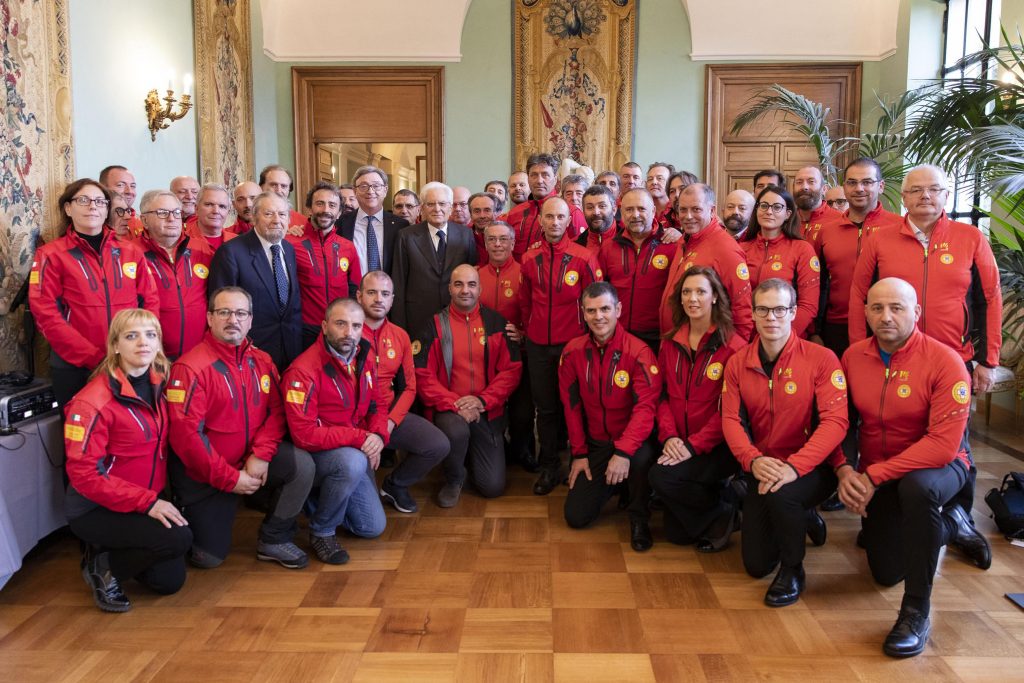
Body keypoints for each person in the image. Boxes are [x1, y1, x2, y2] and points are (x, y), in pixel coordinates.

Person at [840, 278, 991, 658]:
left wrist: (873, 476)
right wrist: (846, 471)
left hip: (941, 467)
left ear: (916, 313)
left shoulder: (945, 362)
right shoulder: (853, 357)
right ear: (865, 313)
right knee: (886, 571)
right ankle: (950, 525)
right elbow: (842, 426)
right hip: (881, 471)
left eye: (897, 308)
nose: (886, 317)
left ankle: (915, 612)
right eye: (877, 308)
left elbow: (941, 446)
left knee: (918, 490)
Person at [849, 163, 1002, 522]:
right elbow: (859, 296)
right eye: (916, 190)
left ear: (946, 195)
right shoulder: (880, 239)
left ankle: (959, 518)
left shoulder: (970, 239)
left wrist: (988, 360)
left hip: (954, 359)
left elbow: (990, 298)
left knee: (955, 443)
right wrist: (858, 351)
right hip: (891, 356)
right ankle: (888, 512)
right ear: (903, 198)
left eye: (933, 189)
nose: (925, 196)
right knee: (886, 432)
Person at [721, 279, 848, 607]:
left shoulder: (821, 359)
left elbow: (836, 424)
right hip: (762, 465)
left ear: (793, 312)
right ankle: (802, 517)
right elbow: (731, 420)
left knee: (784, 495)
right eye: (762, 309)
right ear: (752, 313)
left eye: (779, 309)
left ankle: (793, 570)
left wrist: (795, 467)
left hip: (811, 468)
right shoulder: (738, 362)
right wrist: (752, 460)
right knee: (756, 565)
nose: (771, 317)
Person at [167, 286, 314, 569]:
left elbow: (277, 411)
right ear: (210, 318)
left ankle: (273, 538)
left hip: (249, 461)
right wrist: (229, 479)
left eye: (240, 313)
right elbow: (188, 440)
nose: (233, 319)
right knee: (208, 559)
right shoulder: (189, 369)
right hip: (206, 476)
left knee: (303, 466)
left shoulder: (262, 361)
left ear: (250, 320)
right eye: (224, 312)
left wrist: (261, 454)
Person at [65, 309, 191, 612]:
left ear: (159, 343)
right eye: (131, 335)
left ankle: (119, 547)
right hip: (95, 508)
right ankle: (103, 565)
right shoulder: (91, 401)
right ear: (115, 345)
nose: (142, 343)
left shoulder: (162, 384)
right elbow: (85, 475)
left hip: (140, 498)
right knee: (178, 539)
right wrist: (148, 503)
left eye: (150, 335)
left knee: (168, 582)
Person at [30, 178, 159, 406]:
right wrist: (93, 357)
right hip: (75, 366)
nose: (93, 206)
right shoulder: (51, 255)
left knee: (129, 431)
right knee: (81, 432)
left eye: (100, 201)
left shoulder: (130, 252)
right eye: (83, 200)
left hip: (129, 360)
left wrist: (138, 346)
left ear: (107, 209)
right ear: (68, 208)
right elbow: (45, 313)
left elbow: (149, 303)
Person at [282, 297, 391, 564]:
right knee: (353, 462)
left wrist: (377, 436)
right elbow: (304, 435)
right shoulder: (303, 370)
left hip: (351, 448)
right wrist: (360, 438)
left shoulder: (363, 355)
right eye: (340, 324)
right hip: (314, 455)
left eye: (355, 326)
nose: (348, 333)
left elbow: (377, 402)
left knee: (371, 527)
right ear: (324, 326)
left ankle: (322, 498)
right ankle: (322, 531)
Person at [558, 281, 660, 551]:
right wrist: (579, 454)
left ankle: (639, 517)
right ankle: (616, 486)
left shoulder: (639, 353)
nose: (599, 317)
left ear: (618, 309)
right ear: (583, 313)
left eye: (605, 309)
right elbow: (571, 407)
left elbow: (645, 410)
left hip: (633, 443)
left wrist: (624, 452)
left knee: (640, 459)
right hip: (596, 443)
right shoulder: (572, 352)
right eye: (591, 311)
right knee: (576, 517)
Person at [648, 266, 745, 551]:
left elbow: (730, 411)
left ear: (715, 296)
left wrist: (692, 446)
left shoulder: (734, 348)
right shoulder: (669, 343)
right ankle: (723, 511)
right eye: (687, 292)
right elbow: (661, 396)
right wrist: (670, 438)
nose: (693, 298)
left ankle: (723, 506)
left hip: (717, 447)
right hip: (678, 442)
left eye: (701, 291)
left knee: (659, 475)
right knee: (678, 536)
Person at [413, 265, 523, 505]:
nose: (465, 290)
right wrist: (455, 403)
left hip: (486, 409)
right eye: (459, 284)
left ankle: (473, 453)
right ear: (450, 288)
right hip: (449, 412)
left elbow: (511, 370)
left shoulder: (497, 324)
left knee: (492, 487)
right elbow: (422, 375)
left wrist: (483, 401)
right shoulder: (432, 326)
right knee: (457, 430)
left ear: (480, 289)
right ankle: (454, 478)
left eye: (471, 285)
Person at [520, 197, 602, 495]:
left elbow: (595, 303)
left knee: (576, 405)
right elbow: (524, 301)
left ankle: (581, 462)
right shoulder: (529, 259)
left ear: (570, 221)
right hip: (539, 344)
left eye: (560, 217)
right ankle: (550, 465)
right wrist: (527, 332)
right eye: (549, 217)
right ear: (540, 220)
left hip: (575, 346)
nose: (555, 222)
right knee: (546, 408)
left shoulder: (584, 257)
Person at [357, 272, 450, 512]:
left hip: (389, 416)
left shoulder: (400, 336)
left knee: (438, 444)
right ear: (359, 296)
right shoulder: (348, 332)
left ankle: (395, 485)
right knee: (369, 520)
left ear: (392, 300)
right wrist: (369, 433)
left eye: (385, 294)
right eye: (372, 292)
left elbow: (410, 387)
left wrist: (388, 424)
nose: (379, 299)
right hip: (354, 422)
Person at [812, 158, 902, 356]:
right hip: (836, 326)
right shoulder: (827, 231)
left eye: (867, 182)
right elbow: (819, 285)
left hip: (888, 325)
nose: (859, 188)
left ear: (881, 186)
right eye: (852, 182)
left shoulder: (900, 227)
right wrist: (815, 330)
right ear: (844, 187)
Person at [208, 191, 303, 370]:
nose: (277, 220)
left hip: (290, 352)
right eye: (268, 214)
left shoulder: (289, 250)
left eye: (282, 214)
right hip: (250, 354)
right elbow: (221, 310)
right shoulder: (231, 253)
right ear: (254, 217)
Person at [476, 222, 535, 470]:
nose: (497, 244)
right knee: (493, 409)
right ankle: (496, 449)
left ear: (513, 243)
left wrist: (524, 333)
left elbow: (536, 313)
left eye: (503, 239)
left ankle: (523, 450)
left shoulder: (525, 273)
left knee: (522, 413)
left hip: (519, 354)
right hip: (484, 356)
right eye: (492, 240)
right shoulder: (476, 276)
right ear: (486, 244)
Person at [660, 184, 753, 341]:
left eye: (696, 209)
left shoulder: (726, 249)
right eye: (683, 210)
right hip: (675, 345)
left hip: (707, 350)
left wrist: (736, 355)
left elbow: (742, 311)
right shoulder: (684, 241)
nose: (688, 216)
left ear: (712, 211)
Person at [391, 181, 478, 337]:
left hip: (457, 315)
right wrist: (399, 328)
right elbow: (399, 282)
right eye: (431, 204)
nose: (437, 209)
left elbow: (473, 280)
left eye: (442, 203)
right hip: (418, 319)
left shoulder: (466, 235)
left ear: (450, 207)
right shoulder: (406, 236)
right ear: (422, 208)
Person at [137, 190, 214, 360]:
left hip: (199, 355)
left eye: (176, 213)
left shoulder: (203, 250)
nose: (171, 219)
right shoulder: (131, 254)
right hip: (150, 355)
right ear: (144, 220)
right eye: (162, 213)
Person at [286, 181, 361, 349]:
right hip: (303, 330)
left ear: (340, 212)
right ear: (310, 208)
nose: (326, 210)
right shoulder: (290, 243)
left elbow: (354, 289)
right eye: (320, 203)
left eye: (332, 205)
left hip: (340, 330)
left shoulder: (347, 247)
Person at [598, 188, 676, 350]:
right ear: (621, 211)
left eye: (641, 209)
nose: (635, 215)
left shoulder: (672, 245)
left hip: (658, 336)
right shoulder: (608, 247)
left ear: (653, 210)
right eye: (629, 209)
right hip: (617, 333)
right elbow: (600, 290)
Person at [739, 186, 820, 338]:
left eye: (777, 207)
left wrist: (781, 338)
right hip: (746, 337)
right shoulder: (741, 248)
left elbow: (808, 306)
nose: (769, 211)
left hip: (787, 337)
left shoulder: (802, 249)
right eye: (764, 206)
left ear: (788, 214)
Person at [504, 153, 587, 261]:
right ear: (528, 179)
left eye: (545, 175)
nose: (539, 181)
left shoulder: (571, 212)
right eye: (534, 175)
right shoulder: (515, 213)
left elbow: (580, 254)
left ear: (555, 180)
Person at [335, 165, 409, 275]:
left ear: (385, 190)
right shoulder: (340, 224)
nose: (370, 191)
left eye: (376, 186)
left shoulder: (401, 226)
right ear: (355, 191)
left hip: (389, 290)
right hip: (352, 290)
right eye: (364, 186)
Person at [185, 184, 237, 251]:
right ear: (196, 209)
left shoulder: (238, 242)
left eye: (222, 206)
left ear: (228, 211)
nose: (216, 211)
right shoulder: (181, 241)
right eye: (209, 204)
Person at [793, 166, 838, 242]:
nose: (804, 187)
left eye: (811, 182)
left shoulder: (838, 221)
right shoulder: (785, 221)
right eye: (799, 182)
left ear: (824, 189)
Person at [259, 164, 308, 232]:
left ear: (289, 190)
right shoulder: (251, 217)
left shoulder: (303, 223)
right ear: (261, 187)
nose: (279, 191)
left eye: (283, 186)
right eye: (273, 185)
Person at [100, 165, 143, 237]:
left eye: (132, 186)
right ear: (103, 188)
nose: (129, 191)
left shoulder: (143, 224)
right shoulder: (92, 225)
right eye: (120, 185)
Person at [577, 184, 619, 253]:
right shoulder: (577, 246)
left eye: (602, 206)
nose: (596, 212)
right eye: (590, 207)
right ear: (583, 212)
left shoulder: (629, 240)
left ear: (614, 209)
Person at [468, 191, 502, 262]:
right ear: (470, 215)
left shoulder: (505, 237)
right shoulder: (462, 237)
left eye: (487, 210)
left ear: (496, 213)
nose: (482, 216)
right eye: (477, 211)